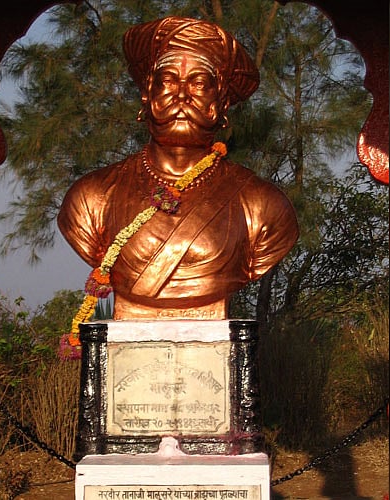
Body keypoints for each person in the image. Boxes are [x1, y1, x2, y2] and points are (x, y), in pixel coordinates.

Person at [58, 16, 299, 322]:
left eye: (199, 83)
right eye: (168, 81)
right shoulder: (90, 198)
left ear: (221, 101)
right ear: (147, 94)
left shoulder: (263, 206)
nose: (183, 95)